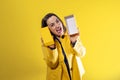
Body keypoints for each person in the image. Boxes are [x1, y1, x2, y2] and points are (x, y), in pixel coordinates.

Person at [41, 13, 86, 80]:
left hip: (75, 76)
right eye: (52, 25)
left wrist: (74, 42)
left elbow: (82, 53)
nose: (57, 25)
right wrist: (52, 48)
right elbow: (52, 64)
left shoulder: (71, 35)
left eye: (57, 21)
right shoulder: (47, 43)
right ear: (48, 30)